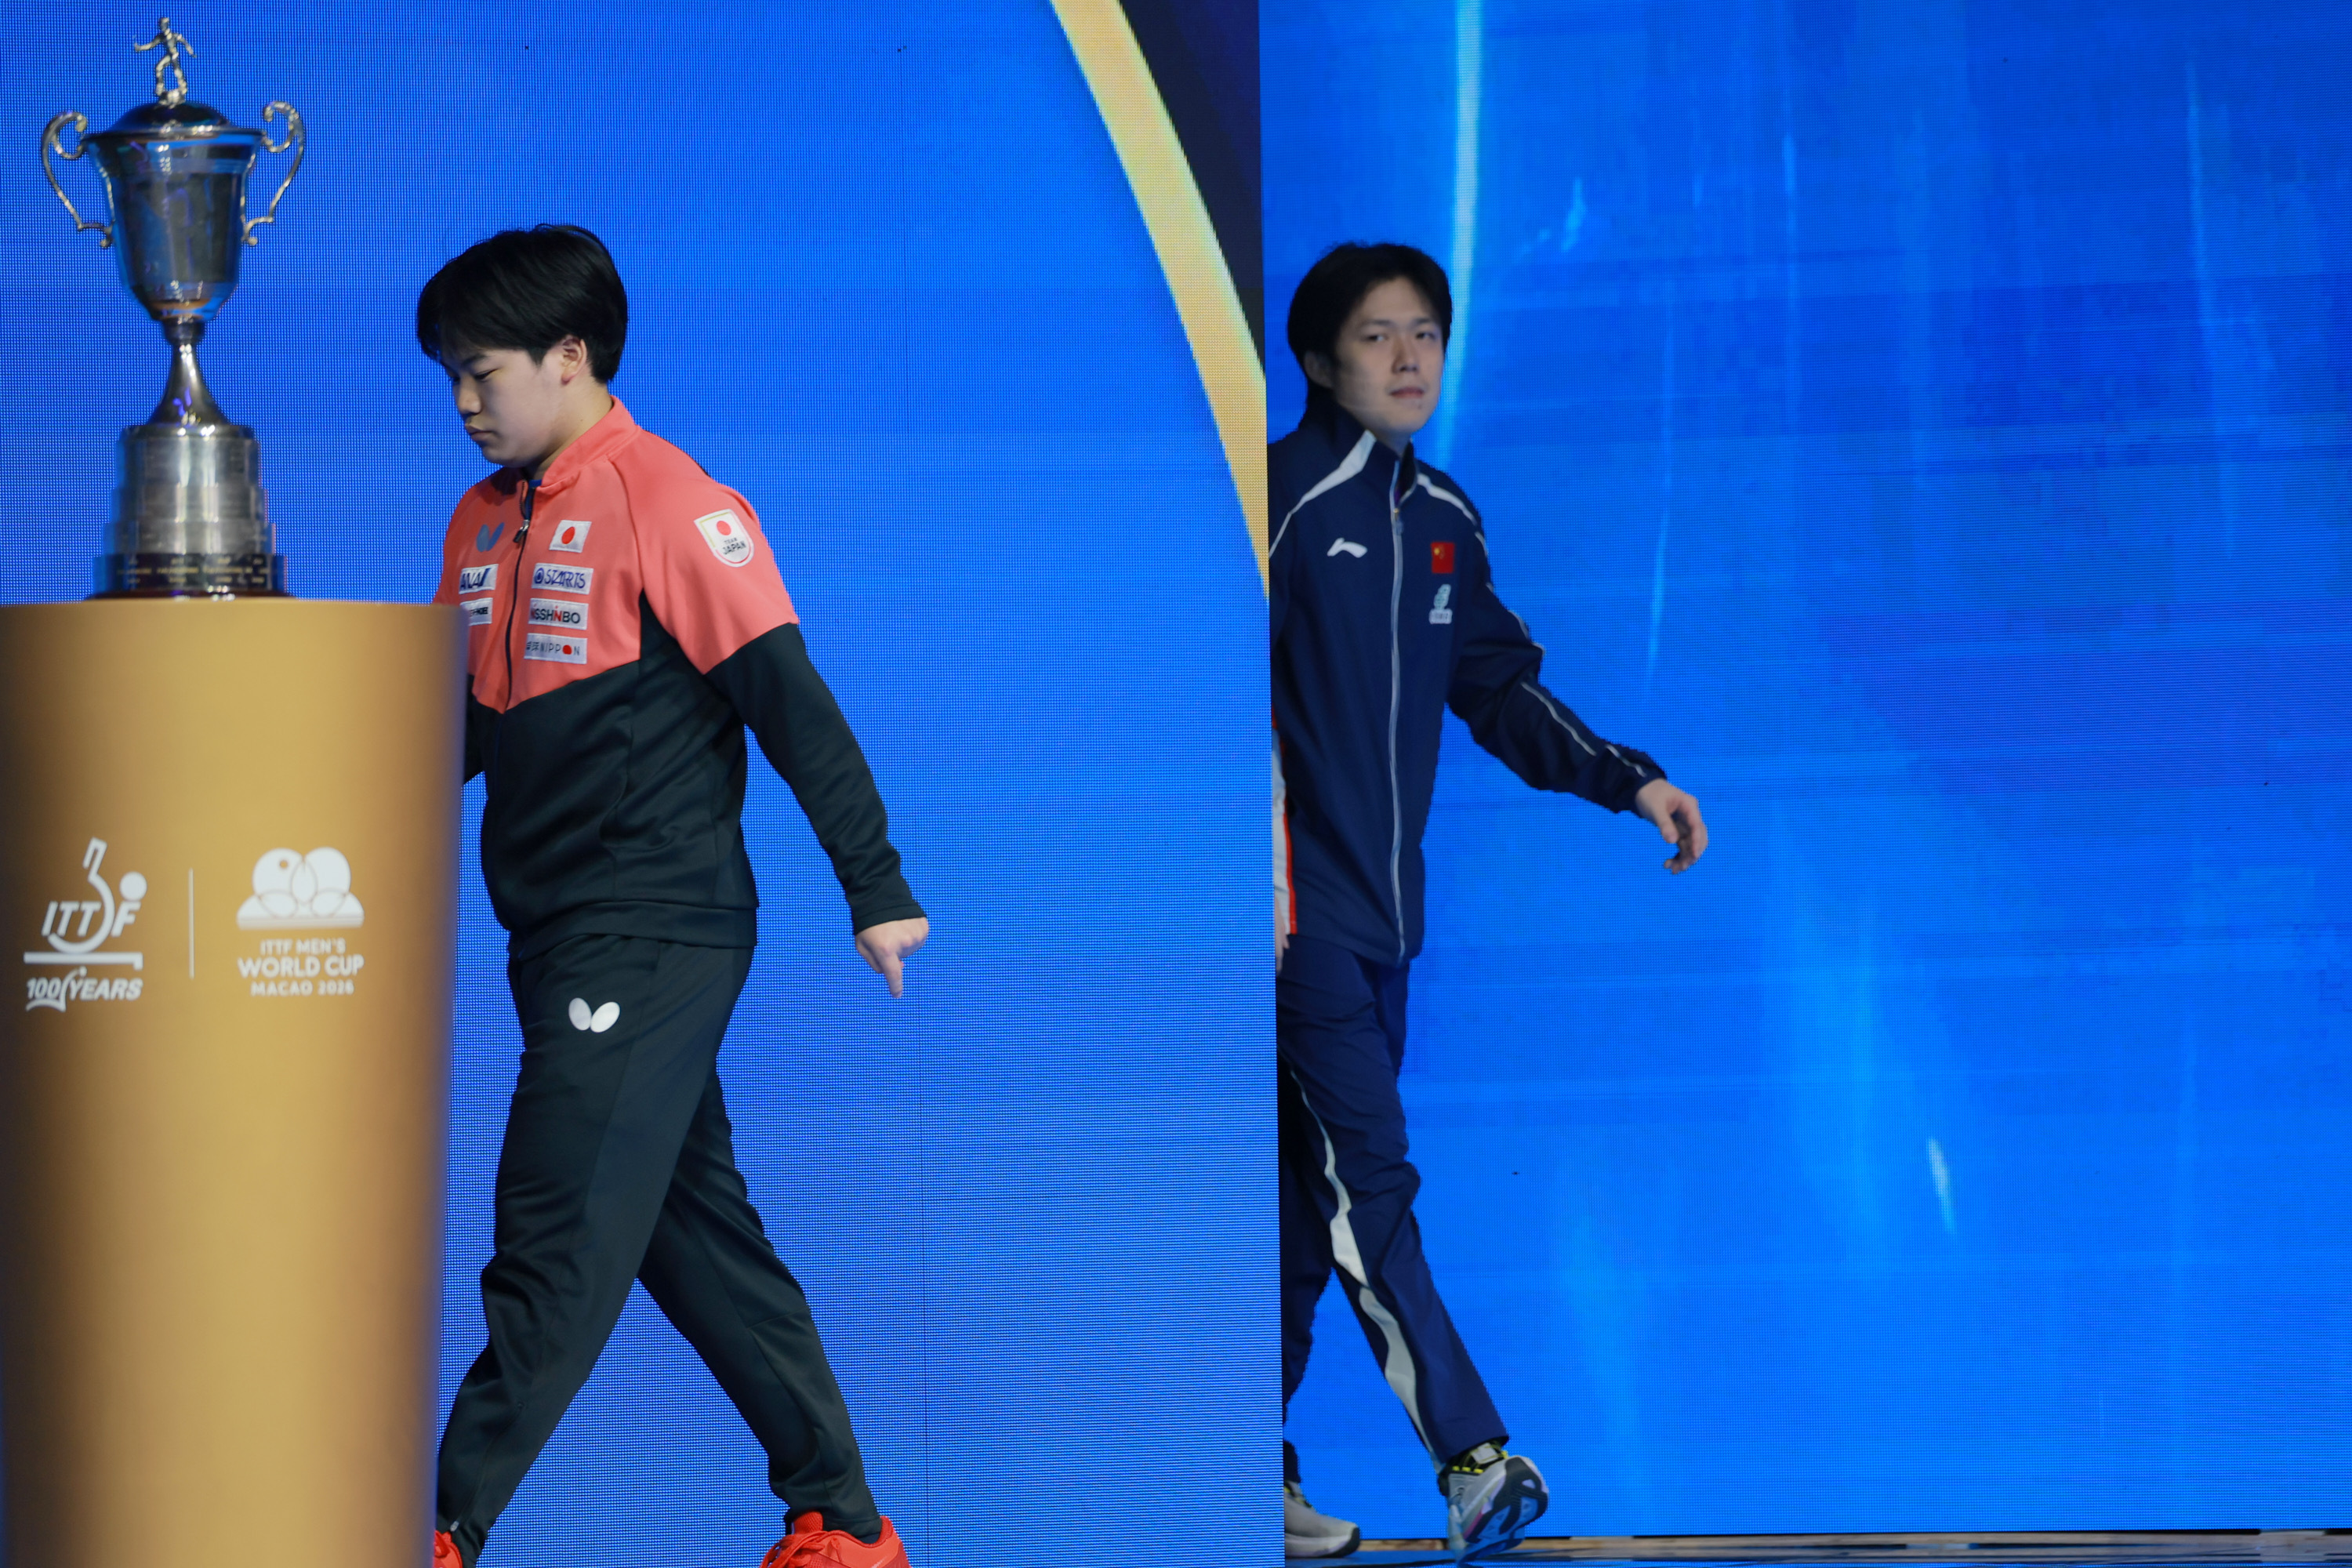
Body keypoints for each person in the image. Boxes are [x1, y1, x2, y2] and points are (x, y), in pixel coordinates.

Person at [416, 225, 929, 1568]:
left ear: (569, 356)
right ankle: (846, 1525)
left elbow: (790, 703)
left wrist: (874, 885)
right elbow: (452, 733)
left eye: (481, 373)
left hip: (653, 919)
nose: (462, 402)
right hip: (553, 929)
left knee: (556, 1223)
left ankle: (435, 1526)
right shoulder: (482, 521)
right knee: (686, 1226)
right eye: (449, 377)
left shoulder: (672, 500)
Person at [1270, 243, 1708, 1560]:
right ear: (1318, 360)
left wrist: (1630, 779)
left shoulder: (1444, 516)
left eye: (1427, 333)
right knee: (1370, 1183)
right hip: (1289, 920)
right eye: (1377, 336)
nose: (1409, 358)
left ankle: (1233, 1465)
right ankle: (1474, 1460)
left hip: (1386, 924)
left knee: (1306, 1218)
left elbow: (1500, 692)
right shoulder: (1273, 498)